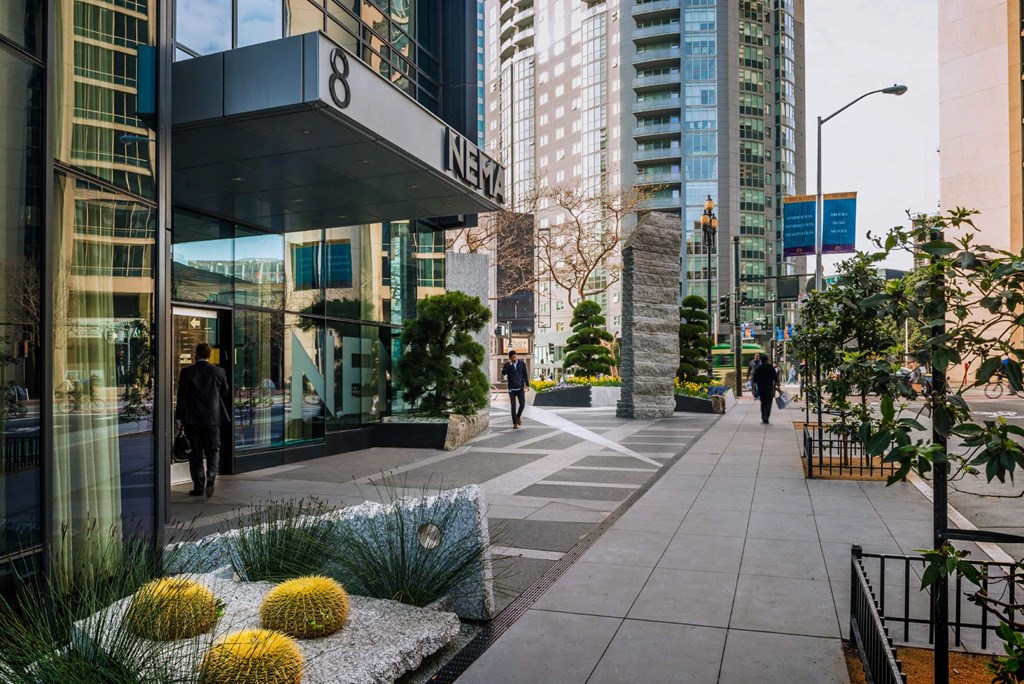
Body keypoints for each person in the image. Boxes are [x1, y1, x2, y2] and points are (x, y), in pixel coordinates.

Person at [175, 342, 230, 498]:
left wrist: (179, 418)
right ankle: (212, 474)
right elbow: (225, 392)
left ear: (196, 354)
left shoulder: (187, 372)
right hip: (213, 418)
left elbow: (182, 398)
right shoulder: (219, 372)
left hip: (193, 420)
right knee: (213, 449)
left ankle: (198, 486)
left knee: (196, 453)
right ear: (209, 355)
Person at [501, 350, 529, 429]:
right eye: (512, 357)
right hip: (512, 389)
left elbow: (525, 374)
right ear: (510, 358)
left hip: (520, 387)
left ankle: (518, 416)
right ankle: (515, 423)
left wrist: (527, 385)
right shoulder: (507, 364)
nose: (514, 358)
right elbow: (503, 373)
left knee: (522, 404)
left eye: (515, 356)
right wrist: (509, 365)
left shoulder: (522, 364)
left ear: (517, 355)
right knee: (513, 406)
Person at [752, 356, 779, 425]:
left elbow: (754, 379)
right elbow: (775, 377)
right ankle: (766, 417)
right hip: (769, 388)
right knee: (768, 403)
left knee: (763, 402)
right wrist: (777, 385)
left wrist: (753, 389)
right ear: (767, 360)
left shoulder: (758, 368)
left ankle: (763, 415)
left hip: (761, 388)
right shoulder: (771, 367)